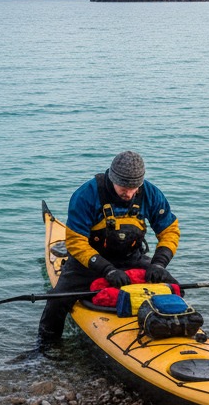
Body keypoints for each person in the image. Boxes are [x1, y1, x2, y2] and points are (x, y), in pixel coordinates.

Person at [37, 150, 180, 349]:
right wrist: (107, 270)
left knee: (173, 287)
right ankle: (45, 348)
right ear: (112, 178)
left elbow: (170, 231)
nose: (129, 194)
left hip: (132, 258)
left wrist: (158, 264)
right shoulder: (86, 195)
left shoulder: (151, 193)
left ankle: (169, 329)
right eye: (124, 187)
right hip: (89, 264)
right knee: (57, 300)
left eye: (134, 188)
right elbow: (76, 243)